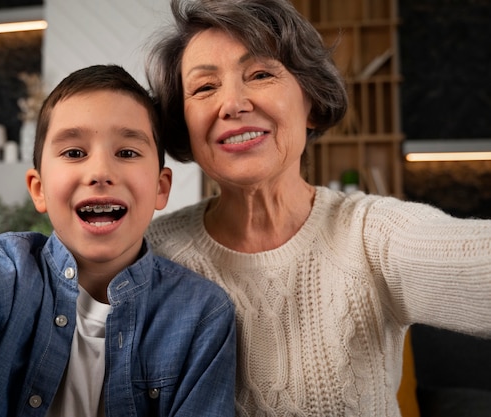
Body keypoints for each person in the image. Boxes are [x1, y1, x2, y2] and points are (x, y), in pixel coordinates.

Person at [143, 0, 491, 416]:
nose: (232, 104)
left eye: (260, 74)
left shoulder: (371, 235)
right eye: (204, 88)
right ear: (183, 122)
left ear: (310, 101)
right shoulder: (152, 254)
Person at [0, 64, 236, 417]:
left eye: (126, 152)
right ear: (38, 189)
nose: (101, 172)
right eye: (74, 152)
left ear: (160, 187)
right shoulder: (7, 271)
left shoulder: (202, 313)